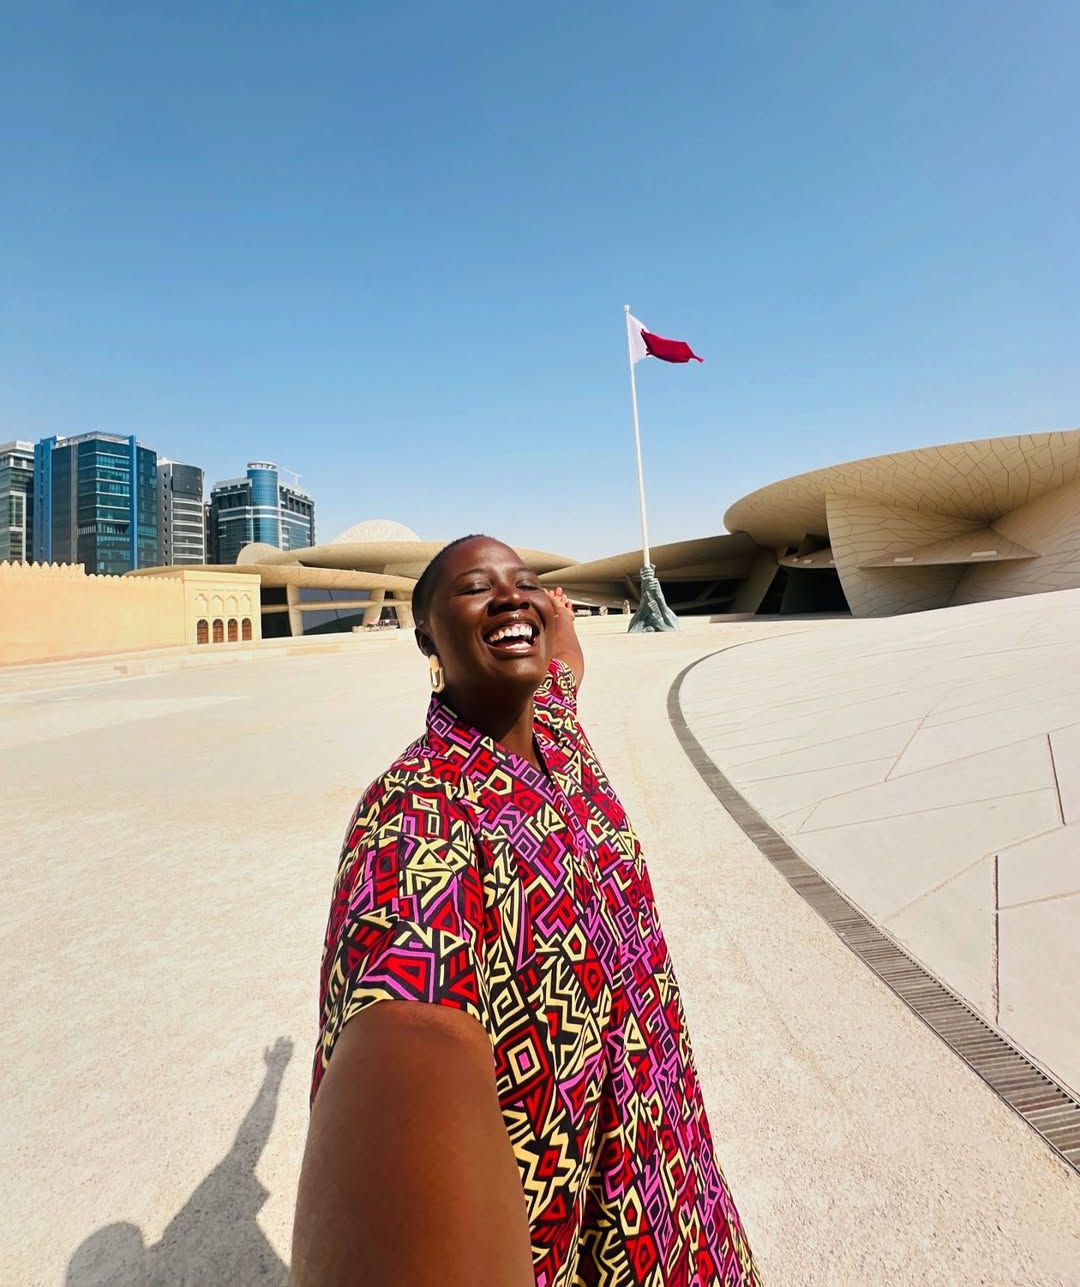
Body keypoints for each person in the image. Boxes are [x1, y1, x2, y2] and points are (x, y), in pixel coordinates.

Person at [291, 537, 758, 1287]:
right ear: (426, 639)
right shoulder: (416, 809)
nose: (512, 596)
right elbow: (406, 1031)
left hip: (667, 1167)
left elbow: (567, 663)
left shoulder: (559, 732)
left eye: (527, 583)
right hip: (559, 1218)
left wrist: (558, 614)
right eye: (478, 587)